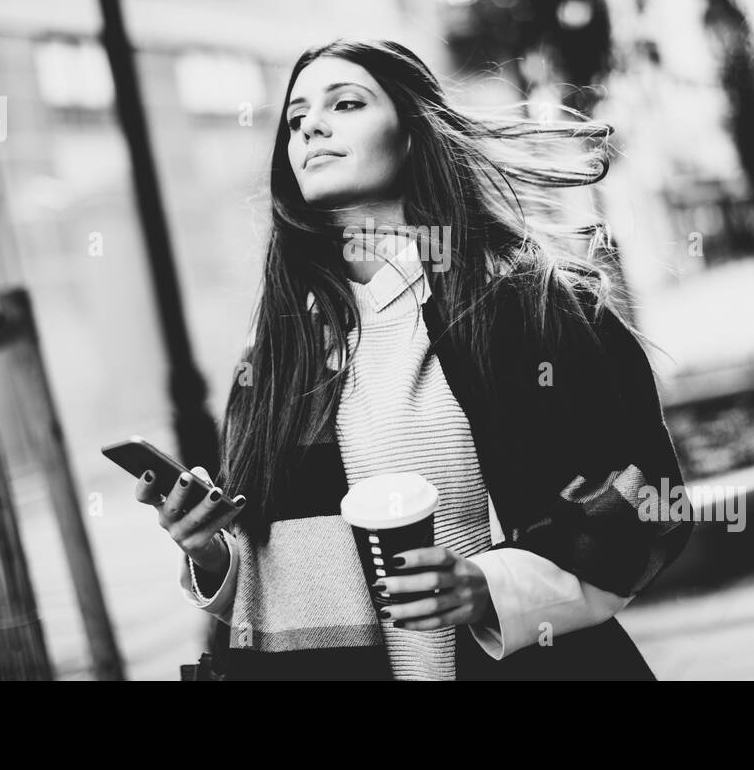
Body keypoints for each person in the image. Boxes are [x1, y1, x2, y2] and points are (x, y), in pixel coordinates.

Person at [135, 38, 696, 680]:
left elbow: (647, 496)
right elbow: (274, 590)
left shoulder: (533, 304)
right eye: (295, 119)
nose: (311, 125)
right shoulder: (275, 358)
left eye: (345, 103)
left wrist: (494, 587)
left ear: (411, 135)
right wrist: (210, 554)